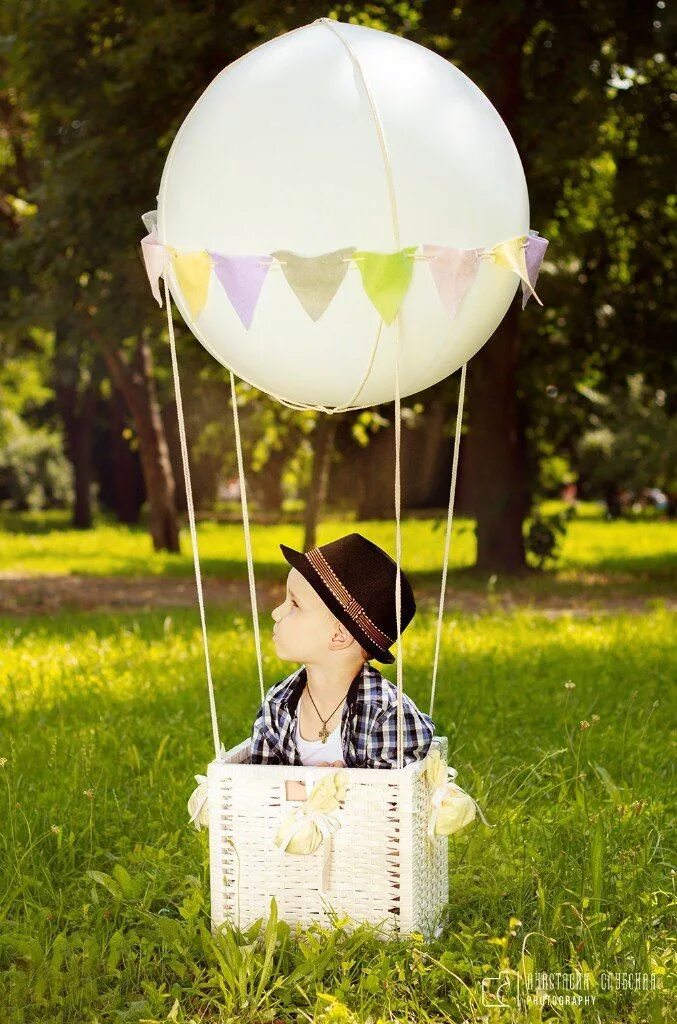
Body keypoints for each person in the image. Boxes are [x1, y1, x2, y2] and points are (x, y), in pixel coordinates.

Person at [249, 532, 435, 769]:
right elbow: (257, 785)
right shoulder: (278, 703)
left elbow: (392, 797)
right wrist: (311, 788)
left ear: (339, 636)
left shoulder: (388, 716)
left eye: (294, 604)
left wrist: (322, 789)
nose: (276, 613)